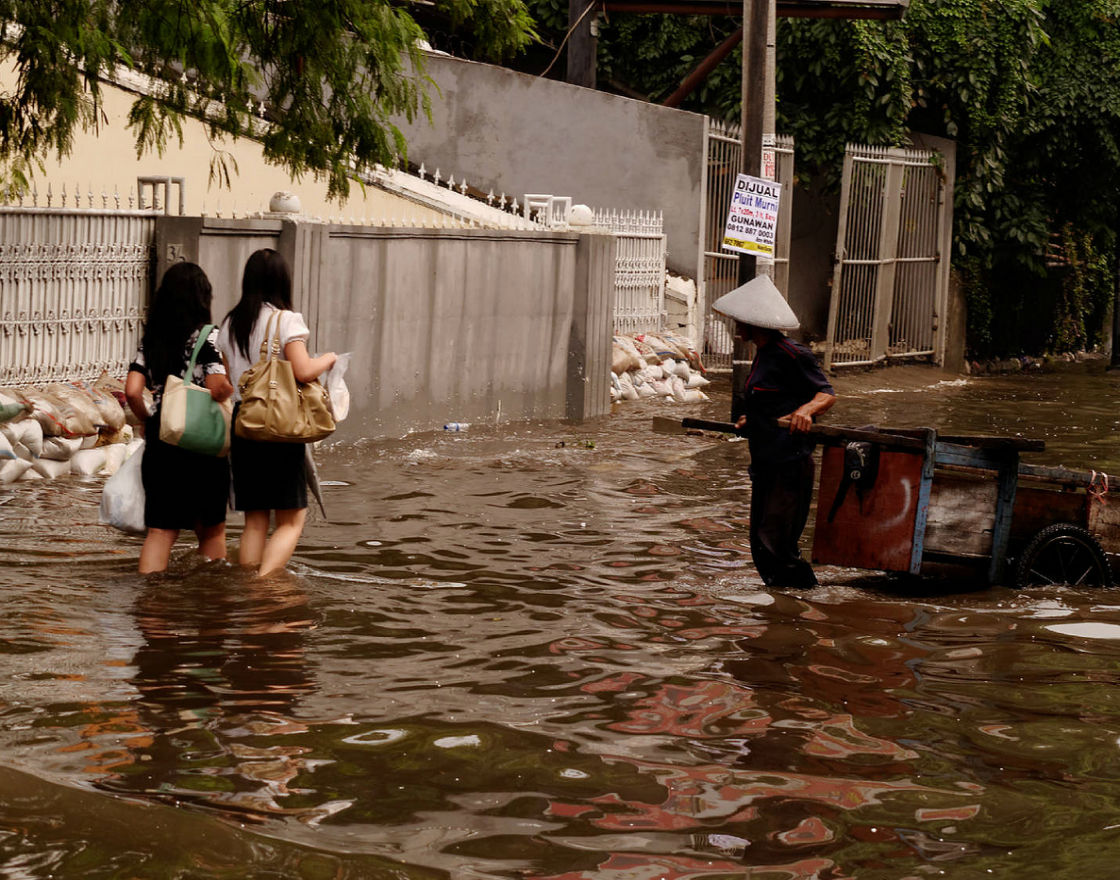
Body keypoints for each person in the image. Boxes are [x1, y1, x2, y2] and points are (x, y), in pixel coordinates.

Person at [218, 249, 337, 577]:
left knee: (255, 521)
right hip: (279, 426)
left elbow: (230, 380)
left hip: (245, 425)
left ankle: (247, 583)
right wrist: (327, 359)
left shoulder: (231, 323)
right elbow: (302, 371)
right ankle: (264, 585)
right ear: (281, 281)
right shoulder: (286, 320)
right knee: (291, 519)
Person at [713, 274, 837, 588]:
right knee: (760, 546)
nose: (736, 325)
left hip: (790, 465)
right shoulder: (762, 356)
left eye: (740, 320)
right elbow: (769, 403)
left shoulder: (794, 354)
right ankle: (781, 606)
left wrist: (806, 410)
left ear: (755, 323)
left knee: (778, 546)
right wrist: (749, 420)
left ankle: (808, 600)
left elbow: (826, 394)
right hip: (765, 463)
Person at [125, 262, 235, 574]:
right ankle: (209, 602)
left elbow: (132, 390)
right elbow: (216, 388)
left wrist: (147, 420)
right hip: (201, 439)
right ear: (202, 298)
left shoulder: (152, 339)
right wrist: (231, 388)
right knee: (211, 530)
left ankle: (150, 602)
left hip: (163, 436)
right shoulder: (208, 337)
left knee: (161, 530)